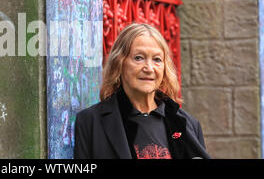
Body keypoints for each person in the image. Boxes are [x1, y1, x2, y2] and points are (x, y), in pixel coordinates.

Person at [74, 23, 210, 159]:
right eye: (138, 58)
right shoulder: (90, 122)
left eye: (157, 59)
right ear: (119, 63)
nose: (149, 68)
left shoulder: (189, 124)